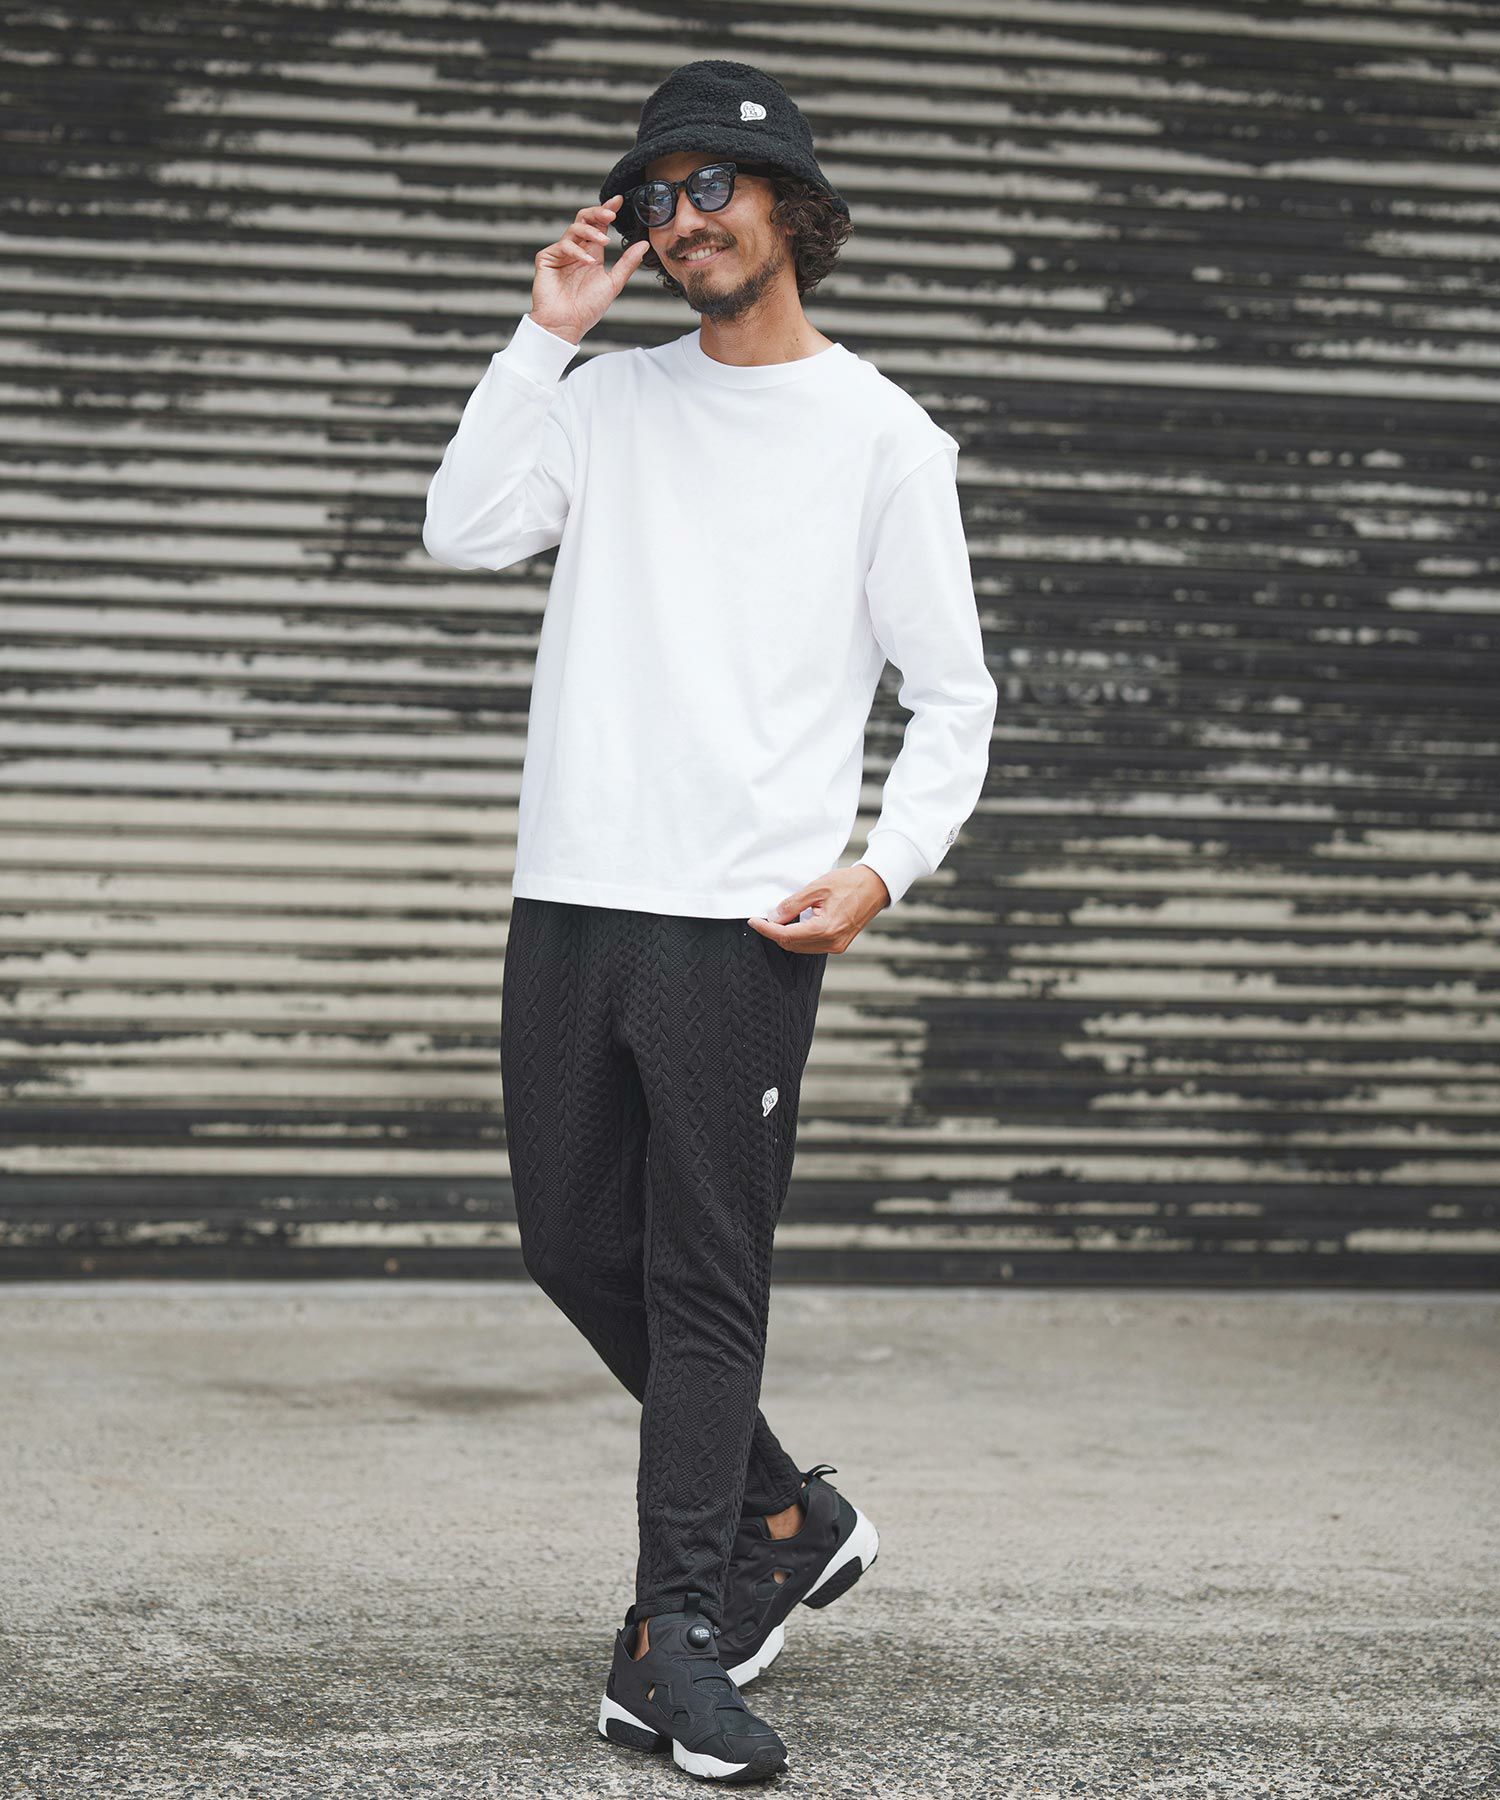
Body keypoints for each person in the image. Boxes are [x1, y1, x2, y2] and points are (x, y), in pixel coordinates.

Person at [422, 57, 998, 1786]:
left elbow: (955, 698)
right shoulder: (605, 402)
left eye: (714, 188)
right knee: (569, 1244)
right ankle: (787, 1514)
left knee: (701, 1276)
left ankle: (675, 1631)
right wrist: (544, 336)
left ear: (790, 207)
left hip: (742, 923)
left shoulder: (884, 438)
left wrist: (883, 867)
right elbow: (461, 532)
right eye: (657, 198)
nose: (684, 221)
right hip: (571, 893)